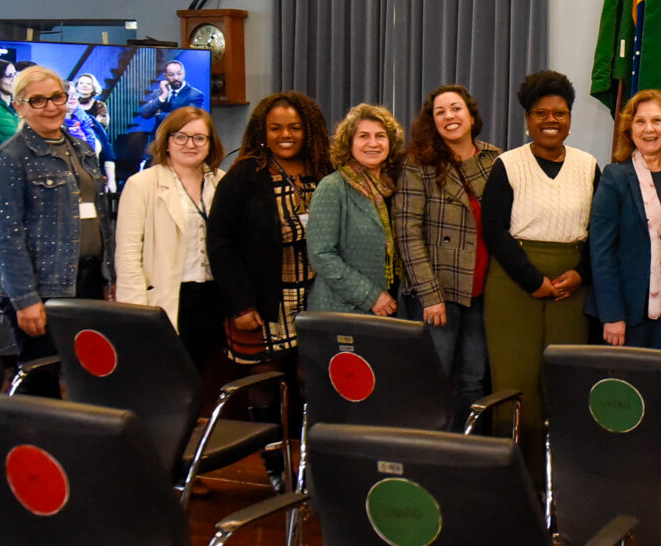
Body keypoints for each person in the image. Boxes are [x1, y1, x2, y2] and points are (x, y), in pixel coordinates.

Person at [206, 90, 331, 491]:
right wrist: (240, 302)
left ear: (308, 128)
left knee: (312, 383)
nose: (285, 135)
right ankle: (277, 466)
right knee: (267, 386)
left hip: (317, 298)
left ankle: (312, 467)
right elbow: (220, 243)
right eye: (276, 128)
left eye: (294, 127)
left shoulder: (324, 169)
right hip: (262, 301)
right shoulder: (245, 174)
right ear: (262, 129)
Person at [482, 71, 599, 462]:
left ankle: (563, 477)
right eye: (541, 113)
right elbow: (494, 231)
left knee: (564, 381)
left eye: (560, 113)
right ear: (528, 119)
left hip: (573, 283)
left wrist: (581, 272)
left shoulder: (588, 165)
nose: (551, 121)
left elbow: (599, 230)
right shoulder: (507, 164)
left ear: (570, 117)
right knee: (516, 380)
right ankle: (517, 476)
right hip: (515, 283)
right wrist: (533, 280)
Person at [0, 66, 113, 397]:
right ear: (19, 106)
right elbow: (5, 236)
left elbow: (100, 218)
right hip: (40, 289)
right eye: (38, 100)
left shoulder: (82, 149)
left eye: (57, 97)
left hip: (87, 282)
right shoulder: (10, 157)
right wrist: (25, 300)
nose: (51, 107)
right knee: (42, 385)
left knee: (89, 379)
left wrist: (108, 277)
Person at [394, 86, 501, 429]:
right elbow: (407, 231)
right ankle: (426, 455)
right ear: (432, 121)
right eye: (440, 112)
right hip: (438, 293)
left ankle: (463, 456)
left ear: (471, 115)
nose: (449, 116)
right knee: (433, 379)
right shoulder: (418, 163)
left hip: (484, 290)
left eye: (456, 109)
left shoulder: (495, 159)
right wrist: (429, 294)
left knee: (473, 379)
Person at [587, 89, 661, 350]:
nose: (649, 129)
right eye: (640, 121)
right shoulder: (615, 177)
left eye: (657, 121)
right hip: (629, 312)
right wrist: (612, 314)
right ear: (629, 129)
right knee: (630, 387)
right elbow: (601, 251)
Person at [114, 107, 228, 371]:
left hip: (213, 297)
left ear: (210, 144)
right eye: (181, 137)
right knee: (165, 376)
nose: (190, 144)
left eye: (200, 138)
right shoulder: (141, 184)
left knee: (204, 377)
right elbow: (128, 253)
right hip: (167, 297)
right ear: (166, 141)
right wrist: (135, 312)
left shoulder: (222, 182)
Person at [308, 104, 406, 317]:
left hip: (391, 309)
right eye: (363, 136)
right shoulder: (333, 187)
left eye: (380, 136)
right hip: (342, 311)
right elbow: (321, 255)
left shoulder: (395, 188)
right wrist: (370, 296)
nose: (373, 143)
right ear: (349, 143)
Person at [138, 60, 206, 125]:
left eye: (179, 74)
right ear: (165, 76)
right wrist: (163, 97)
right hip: (159, 135)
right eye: (171, 75)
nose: (176, 78)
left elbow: (187, 120)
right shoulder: (158, 93)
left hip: (181, 135)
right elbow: (145, 114)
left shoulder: (195, 95)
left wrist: (160, 114)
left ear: (184, 74)